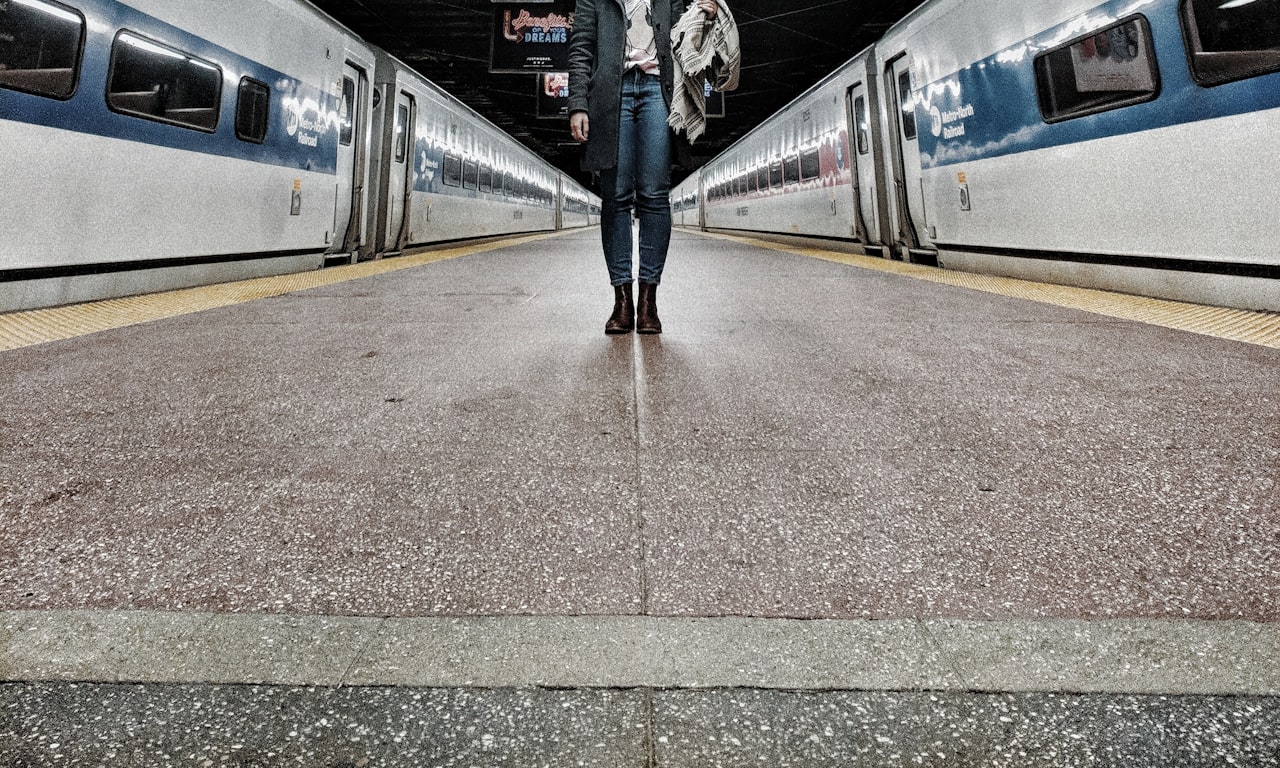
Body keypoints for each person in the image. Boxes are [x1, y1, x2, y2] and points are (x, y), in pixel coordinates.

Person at [568, 0, 720, 335]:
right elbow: (580, 49)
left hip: (657, 90)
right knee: (616, 196)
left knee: (654, 194)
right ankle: (621, 301)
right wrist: (578, 104)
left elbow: (686, 39)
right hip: (612, 93)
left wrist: (705, 20)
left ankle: (648, 302)